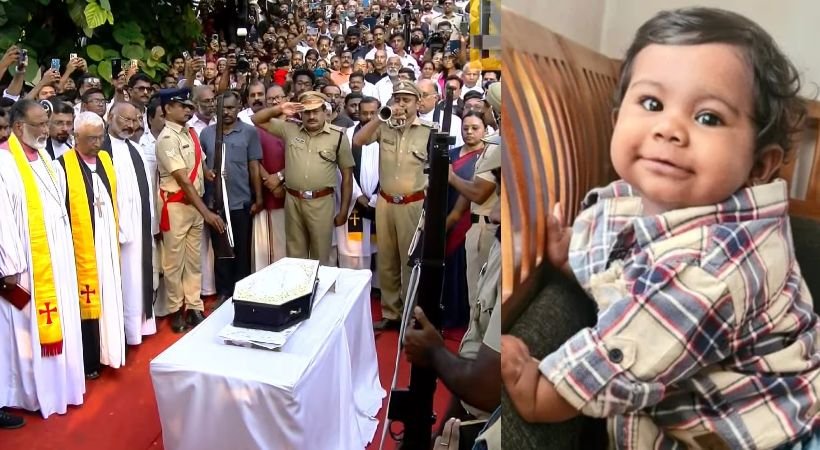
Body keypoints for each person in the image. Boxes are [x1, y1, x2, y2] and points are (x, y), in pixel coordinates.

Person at [501, 8, 820, 449]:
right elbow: (626, 271)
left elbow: (622, 355)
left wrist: (542, 393)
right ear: (617, 121)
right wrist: (572, 258)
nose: (669, 129)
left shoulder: (709, 269)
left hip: (769, 436)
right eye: (652, 104)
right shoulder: (639, 200)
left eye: (708, 117)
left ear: (760, 164)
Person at [0, 99, 83, 426]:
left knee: (59, 318)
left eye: (47, 124)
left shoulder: (46, 158)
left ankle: (61, 386)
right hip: (27, 263)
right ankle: (29, 394)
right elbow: (3, 218)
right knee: (23, 331)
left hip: (56, 256)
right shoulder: (4, 162)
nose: (46, 130)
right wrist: (9, 266)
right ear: (19, 127)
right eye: (39, 125)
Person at [352, 80, 434, 330]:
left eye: (406, 99)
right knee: (387, 261)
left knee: (409, 262)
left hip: (413, 204)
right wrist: (380, 116)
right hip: (386, 203)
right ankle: (391, 313)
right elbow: (358, 140)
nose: (401, 104)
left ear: (418, 103)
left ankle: (410, 315)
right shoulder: (384, 125)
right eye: (397, 99)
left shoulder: (429, 130)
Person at [55, 111, 125, 379]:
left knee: (111, 295)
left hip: (107, 242)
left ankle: (113, 349)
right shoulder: (62, 166)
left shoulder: (105, 159)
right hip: (83, 248)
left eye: (100, 137)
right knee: (88, 299)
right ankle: (91, 358)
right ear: (76, 137)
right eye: (91, 139)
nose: (97, 143)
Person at [251, 91, 354, 265]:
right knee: (295, 256)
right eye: (307, 112)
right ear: (300, 113)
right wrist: (280, 108)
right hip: (293, 201)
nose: (311, 116)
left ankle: (318, 283)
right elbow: (257, 120)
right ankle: (299, 284)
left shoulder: (338, 136)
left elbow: (347, 177)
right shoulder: (290, 129)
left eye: (316, 111)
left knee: (320, 255)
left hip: (321, 202)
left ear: (325, 112)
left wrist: (343, 211)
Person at [156, 88, 225, 333]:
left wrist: (207, 173)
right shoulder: (167, 138)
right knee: (174, 262)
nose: (188, 110)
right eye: (182, 106)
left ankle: (194, 306)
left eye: (189, 106)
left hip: (194, 204)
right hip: (176, 205)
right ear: (167, 109)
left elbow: (199, 160)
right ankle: (176, 310)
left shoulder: (190, 133)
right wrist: (207, 213)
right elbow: (183, 180)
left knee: (193, 260)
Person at [200, 91, 263, 304]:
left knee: (242, 250)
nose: (226, 112)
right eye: (223, 108)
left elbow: (254, 166)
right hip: (215, 204)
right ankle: (224, 292)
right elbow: (201, 166)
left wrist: (258, 198)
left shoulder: (249, 132)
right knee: (221, 251)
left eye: (230, 108)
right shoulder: (206, 134)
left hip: (241, 201)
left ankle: (242, 291)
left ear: (238, 108)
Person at [105, 102, 156, 345]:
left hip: (139, 225)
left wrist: (151, 222)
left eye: (135, 120)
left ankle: (138, 327)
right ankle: (121, 332)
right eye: (125, 119)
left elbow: (146, 191)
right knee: (121, 280)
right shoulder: (101, 150)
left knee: (138, 277)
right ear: (110, 117)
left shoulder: (135, 149)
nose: (131, 125)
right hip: (114, 227)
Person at [337, 96, 381, 271]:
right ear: (358, 112)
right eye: (365, 113)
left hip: (379, 199)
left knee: (379, 250)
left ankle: (376, 285)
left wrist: (377, 196)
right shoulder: (348, 135)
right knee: (354, 250)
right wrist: (358, 195)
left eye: (373, 113)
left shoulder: (388, 133)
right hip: (355, 200)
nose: (369, 117)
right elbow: (342, 168)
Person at [252, 85, 288, 271]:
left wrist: (281, 178)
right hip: (267, 195)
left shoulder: (296, 125)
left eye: (279, 97)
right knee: (267, 251)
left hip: (290, 195)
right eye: (271, 99)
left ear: (286, 98)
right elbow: (253, 160)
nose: (275, 101)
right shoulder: (258, 129)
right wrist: (271, 182)